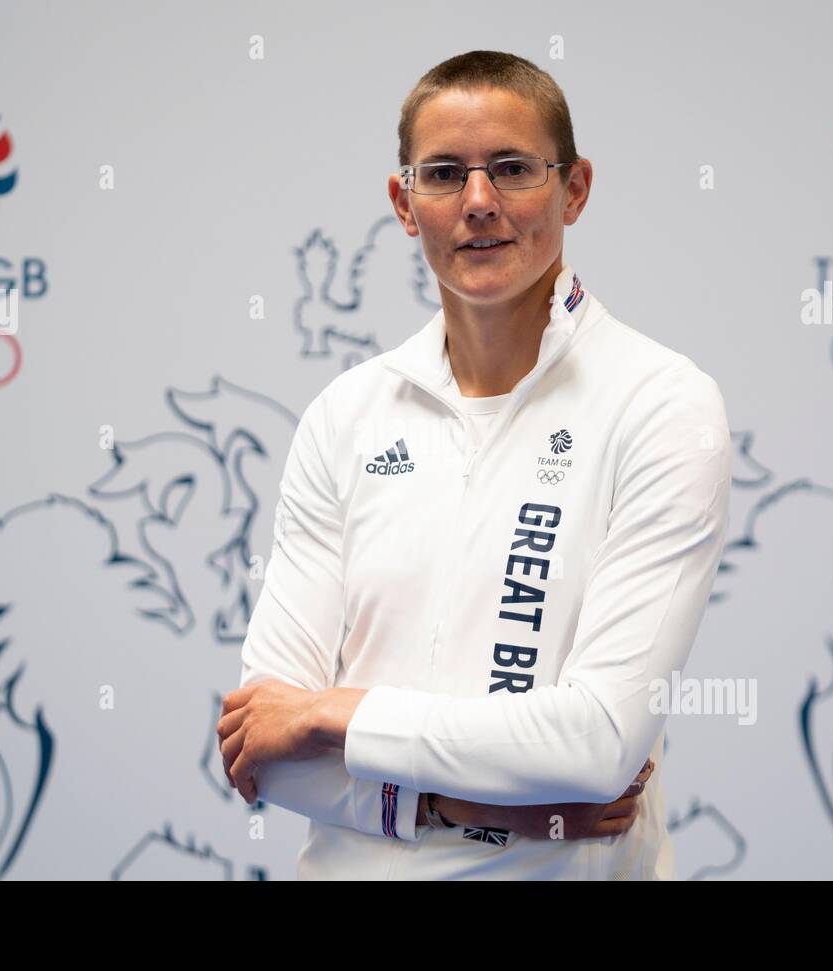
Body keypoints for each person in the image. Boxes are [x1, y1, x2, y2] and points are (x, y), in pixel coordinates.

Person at [219, 50, 731, 879]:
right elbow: (268, 751)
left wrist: (335, 714)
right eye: (446, 173)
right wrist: (472, 807)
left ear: (575, 189)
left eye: (513, 169)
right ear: (404, 202)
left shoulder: (662, 404)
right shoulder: (346, 416)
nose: (481, 202)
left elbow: (594, 742)